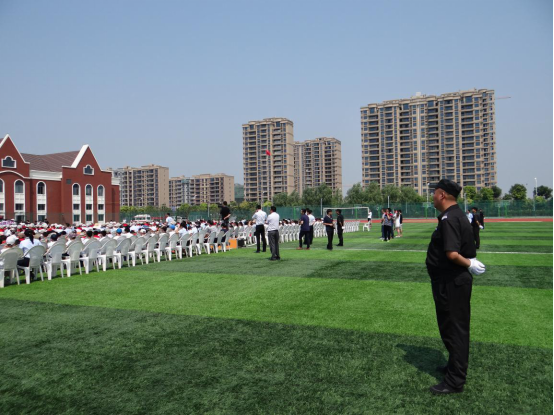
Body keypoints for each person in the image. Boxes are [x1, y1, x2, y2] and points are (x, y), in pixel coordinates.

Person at [426, 179, 486, 395]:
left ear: (442, 195)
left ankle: (455, 381)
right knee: (450, 327)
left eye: (434, 192)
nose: (432, 196)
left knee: (454, 329)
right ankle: (453, 367)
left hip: (451, 281)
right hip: (450, 281)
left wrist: (469, 263)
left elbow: (452, 254)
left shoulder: (450, 218)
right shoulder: (454, 215)